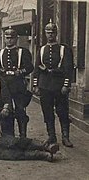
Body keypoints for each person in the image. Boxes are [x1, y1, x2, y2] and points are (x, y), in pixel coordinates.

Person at [33, 19, 74, 148]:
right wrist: (35, 85)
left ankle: (65, 136)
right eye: (48, 32)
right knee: (47, 111)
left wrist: (66, 85)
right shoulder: (42, 49)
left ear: (56, 34)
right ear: (45, 34)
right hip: (45, 86)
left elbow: (68, 69)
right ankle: (51, 136)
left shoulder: (63, 49)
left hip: (59, 85)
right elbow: (36, 68)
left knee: (62, 111)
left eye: (52, 32)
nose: (50, 35)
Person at [0, 26, 34, 138]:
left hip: (18, 86)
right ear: (4, 39)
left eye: (12, 38)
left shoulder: (23, 51)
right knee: (7, 109)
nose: (9, 40)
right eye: (7, 38)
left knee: (20, 110)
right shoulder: (1, 52)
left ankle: (23, 135)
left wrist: (21, 71)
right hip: (5, 86)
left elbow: (30, 67)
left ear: (16, 39)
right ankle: (8, 134)